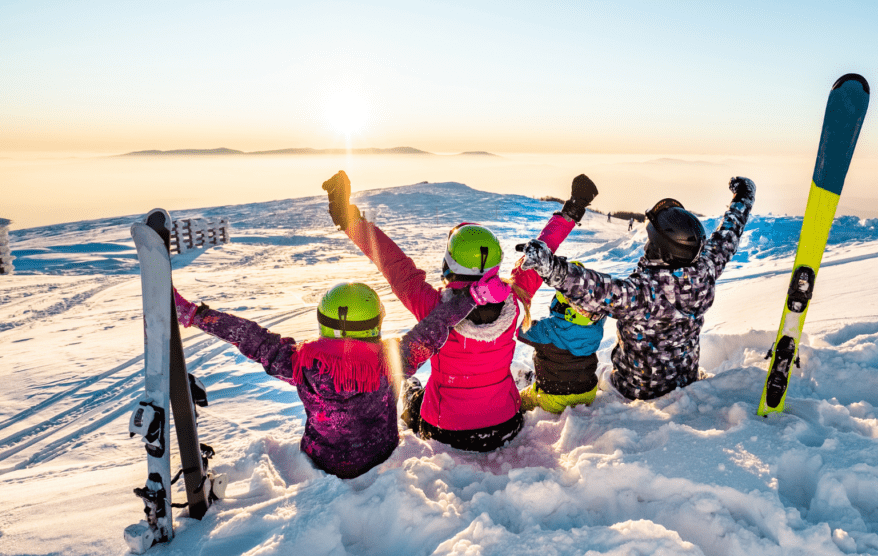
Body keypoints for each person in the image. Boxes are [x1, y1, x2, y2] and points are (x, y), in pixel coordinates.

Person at [323, 170, 598, 451]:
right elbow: (541, 252)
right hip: (506, 424)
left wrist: (349, 220)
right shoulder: (514, 300)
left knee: (412, 391)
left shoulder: (433, 309)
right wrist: (572, 210)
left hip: (445, 430)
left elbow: (394, 264)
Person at [172, 274, 510, 478]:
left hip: (322, 459)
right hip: (380, 455)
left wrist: (194, 315)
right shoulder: (393, 361)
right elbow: (435, 328)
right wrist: (473, 297)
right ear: (376, 323)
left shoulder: (300, 363)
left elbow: (249, 336)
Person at [518, 177, 755, 400]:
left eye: (651, 240)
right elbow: (727, 237)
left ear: (660, 250)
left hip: (635, 389)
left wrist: (550, 267)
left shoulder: (644, 293)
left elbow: (595, 289)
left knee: (596, 377)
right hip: (685, 378)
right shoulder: (705, 270)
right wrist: (743, 197)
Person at [516, 261, 606, 414]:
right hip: (587, 393)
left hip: (553, 398)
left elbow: (520, 330)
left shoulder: (547, 329)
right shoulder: (596, 326)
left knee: (519, 400)